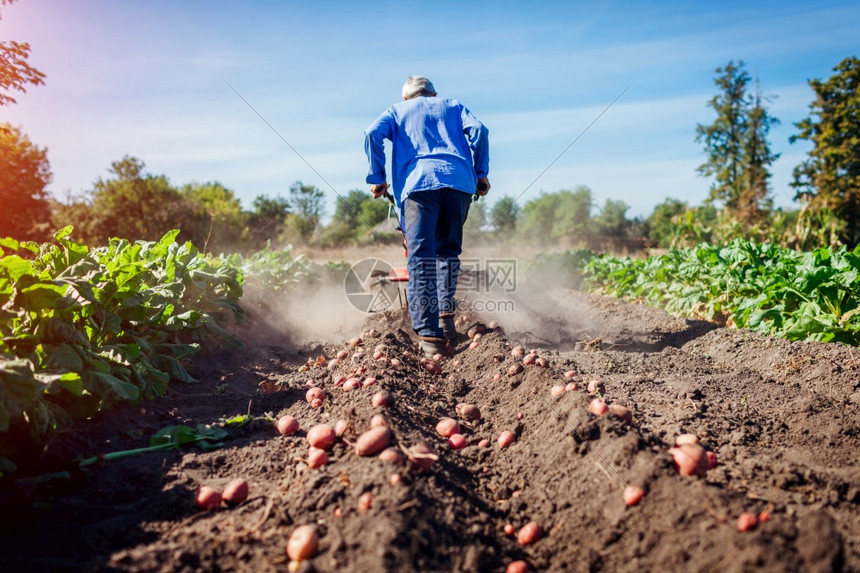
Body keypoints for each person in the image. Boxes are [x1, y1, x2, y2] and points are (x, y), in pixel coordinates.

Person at [364, 76, 490, 357]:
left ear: (407, 98)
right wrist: (481, 173)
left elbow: (372, 134)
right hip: (458, 182)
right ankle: (445, 320)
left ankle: (430, 337)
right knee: (447, 252)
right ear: (433, 95)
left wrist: (377, 177)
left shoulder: (397, 110)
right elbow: (479, 131)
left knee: (421, 256)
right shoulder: (453, 106)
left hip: (418, 184)